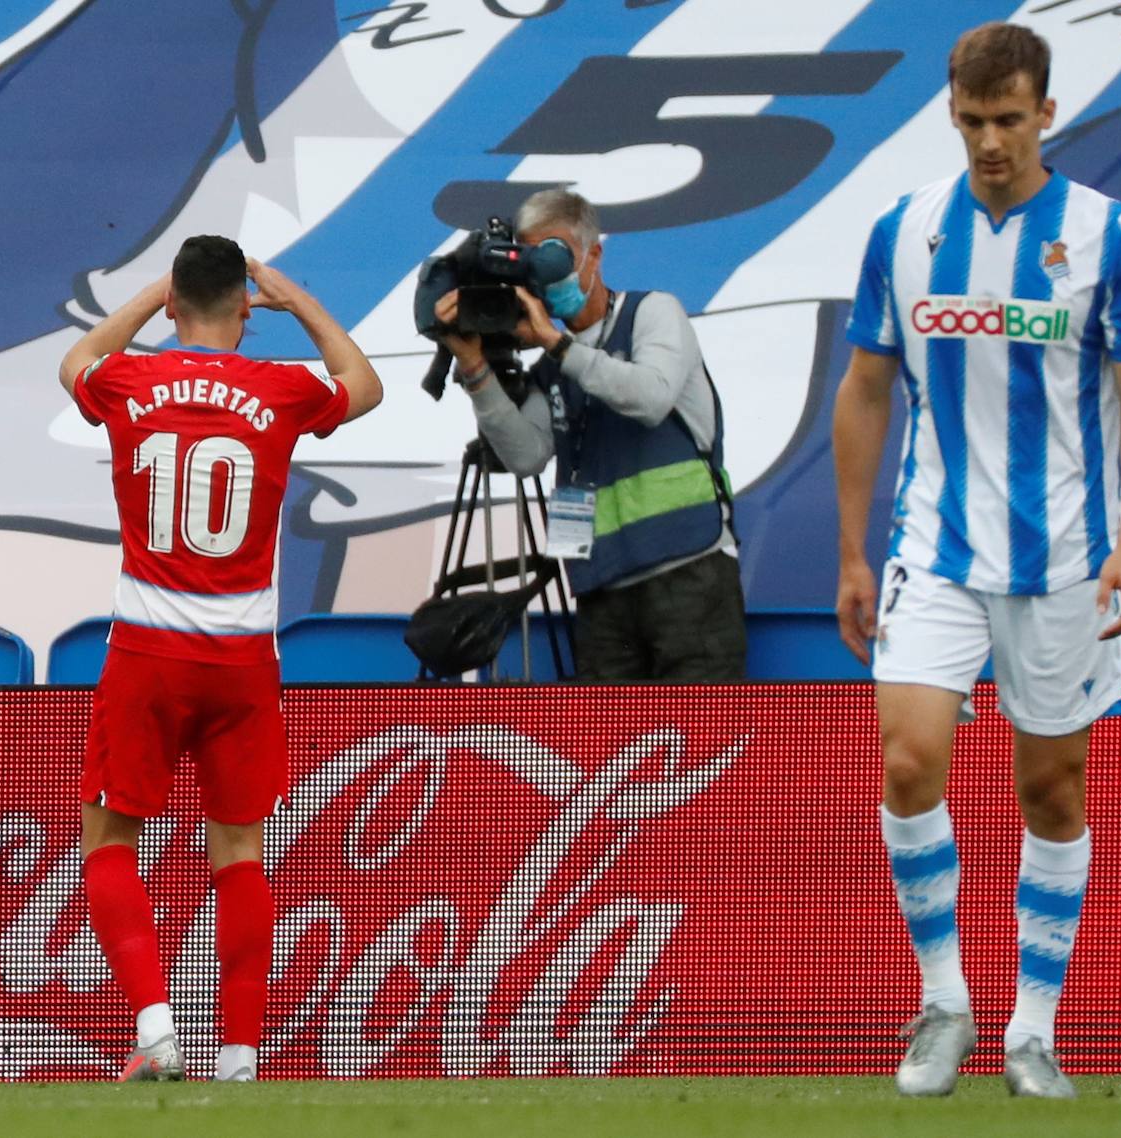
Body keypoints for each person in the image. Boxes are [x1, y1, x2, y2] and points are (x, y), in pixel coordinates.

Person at [832, 23, 1121, 1099]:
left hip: (1068, 556)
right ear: (952, 113)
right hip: (933, 546)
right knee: (906, 761)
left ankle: (1033, 1028)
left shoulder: (1108, 232)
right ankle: (945, 1003)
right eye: (973, 120)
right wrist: (851, 553)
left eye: (1009, 119)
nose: (990, 141)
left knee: (1052, 787)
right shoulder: (903, 230)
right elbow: (865, 389)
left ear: (1047, 113)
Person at [58, 235, 382, 1081]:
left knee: (109, 839)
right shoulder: (281, 388)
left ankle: (156, 1032)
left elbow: (75, 363)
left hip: (147, 651)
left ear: (173, 304)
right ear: (246, 306)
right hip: (241, 661)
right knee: (239, 852)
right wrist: (297, 301)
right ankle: (239, 1055)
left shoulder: (130, 381)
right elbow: (364, 383)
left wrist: (149, 296)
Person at [432, 188, 746, 681]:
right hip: (600, 586)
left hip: (688, 571)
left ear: (594, 254)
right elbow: (525, 456)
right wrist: (475, 370)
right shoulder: (552, 365)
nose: (546, 275)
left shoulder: (652, 313)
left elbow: (651, 397)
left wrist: (557, 345)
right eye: (533, 262)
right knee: (605, 733)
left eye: (555, 256)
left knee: (698, 726)